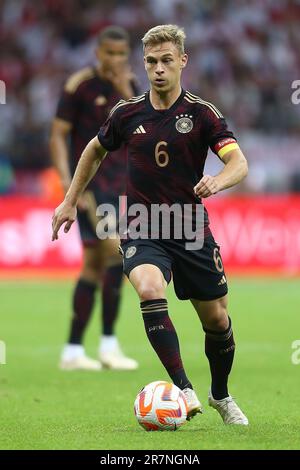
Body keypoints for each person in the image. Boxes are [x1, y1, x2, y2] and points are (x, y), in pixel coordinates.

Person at [52, 24, 249, 425]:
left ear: (182, 62)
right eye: (151, 62)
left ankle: (220, 395)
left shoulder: (201, 113)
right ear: (144, 64)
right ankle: (184, 388)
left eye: (166, 61)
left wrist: (217, 180)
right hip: (143, 224)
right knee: (147, 286)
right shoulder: (127, 112)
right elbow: (93, 150)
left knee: (217, 319)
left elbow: (238, 163)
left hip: (190, 225)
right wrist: (70, 200)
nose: (158, 69)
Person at [50, 26, 138, 371]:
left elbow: (138, 123)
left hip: (122, 186)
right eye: (109, 53)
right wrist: (66, 183)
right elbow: (58, 136)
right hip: (88, 188)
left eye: (121, 54)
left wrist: (121, 87)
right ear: (98, 52)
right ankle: (108, 345)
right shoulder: (78, 86)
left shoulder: (130, 89)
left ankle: (72, 352)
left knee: (93, 265)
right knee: (116, 254)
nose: (115, 60)